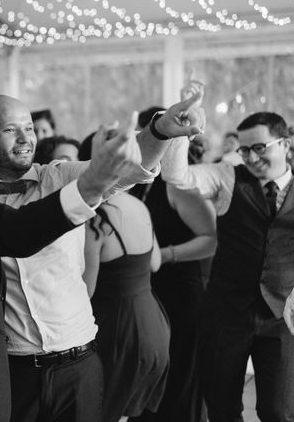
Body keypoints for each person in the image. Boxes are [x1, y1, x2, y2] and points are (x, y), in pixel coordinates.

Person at [0, 84, 205, 422]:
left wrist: (160, 131)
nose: (25, 138)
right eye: (10, 129)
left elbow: (128, 169)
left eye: (28, 128)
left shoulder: (59, 176)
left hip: (79, 364)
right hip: (8, 371)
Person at [162, 109, 294, 421]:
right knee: (222, 409)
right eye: (244, 149)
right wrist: (182, 132)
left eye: (259, 147)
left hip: (283, 319)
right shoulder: (227, 177)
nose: (250, 157)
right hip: (225, 315)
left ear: (285, 144)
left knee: (279, 411)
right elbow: (175, 175)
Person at [80, 134, 170, 422]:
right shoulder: (139, 206)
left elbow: (87, 290)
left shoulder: (96, 218)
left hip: (119, 330)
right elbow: (154, 263)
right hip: (153, 323)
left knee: (104, 410)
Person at [131, 135, 217, 422]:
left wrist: (165, 255)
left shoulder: (179, 186)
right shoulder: (134, 183)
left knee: (179, 376)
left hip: (180, 290)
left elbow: (212, 239)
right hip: (146, 290)